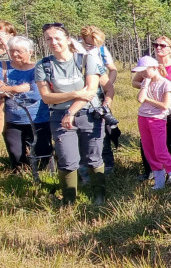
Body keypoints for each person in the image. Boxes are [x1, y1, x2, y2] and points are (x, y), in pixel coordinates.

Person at [35, 23, 107, 205]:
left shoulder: (85, 60)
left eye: (57, 38)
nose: (53, 42)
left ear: (67, 39)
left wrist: (70, 111)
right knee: (67, 159)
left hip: (89, 114)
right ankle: (69, 200)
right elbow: (47, 97)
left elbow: (90, 92)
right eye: (49, 39)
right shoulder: (43, 65)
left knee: (93, 157)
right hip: (59, 117)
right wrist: (75, 93)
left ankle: (99, 196)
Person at [132, 35, 171, 178]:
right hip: (151, 108)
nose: (158, 47)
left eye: (163, 45)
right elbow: (134, 82)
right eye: (156, 44)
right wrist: (150, 86)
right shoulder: (149, 65)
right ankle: (152, 171)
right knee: (147, 141)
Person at [1, 36, 51, 173]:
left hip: (39, 119)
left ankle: (44, 178)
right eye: (12, 51)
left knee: (43, 155)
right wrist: (16, 89)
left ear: (30, 52)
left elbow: (36, 94)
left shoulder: (39, 68)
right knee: (17, 158)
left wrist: (5, 89)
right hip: (12, 121)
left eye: (19, 51)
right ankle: (20, 180)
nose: (15, 54)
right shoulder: (3, 67)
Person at [77, 25, 118, 172]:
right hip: (78, 100)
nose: (92, 47)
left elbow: (112, 69)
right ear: (81, 39)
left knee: (103, 133)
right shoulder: (75, 51)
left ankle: (107, 167)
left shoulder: (100, 50)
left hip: (99, 98)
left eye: (96, 45)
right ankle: (83, 169)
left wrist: (107, 85)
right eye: (89, 44)